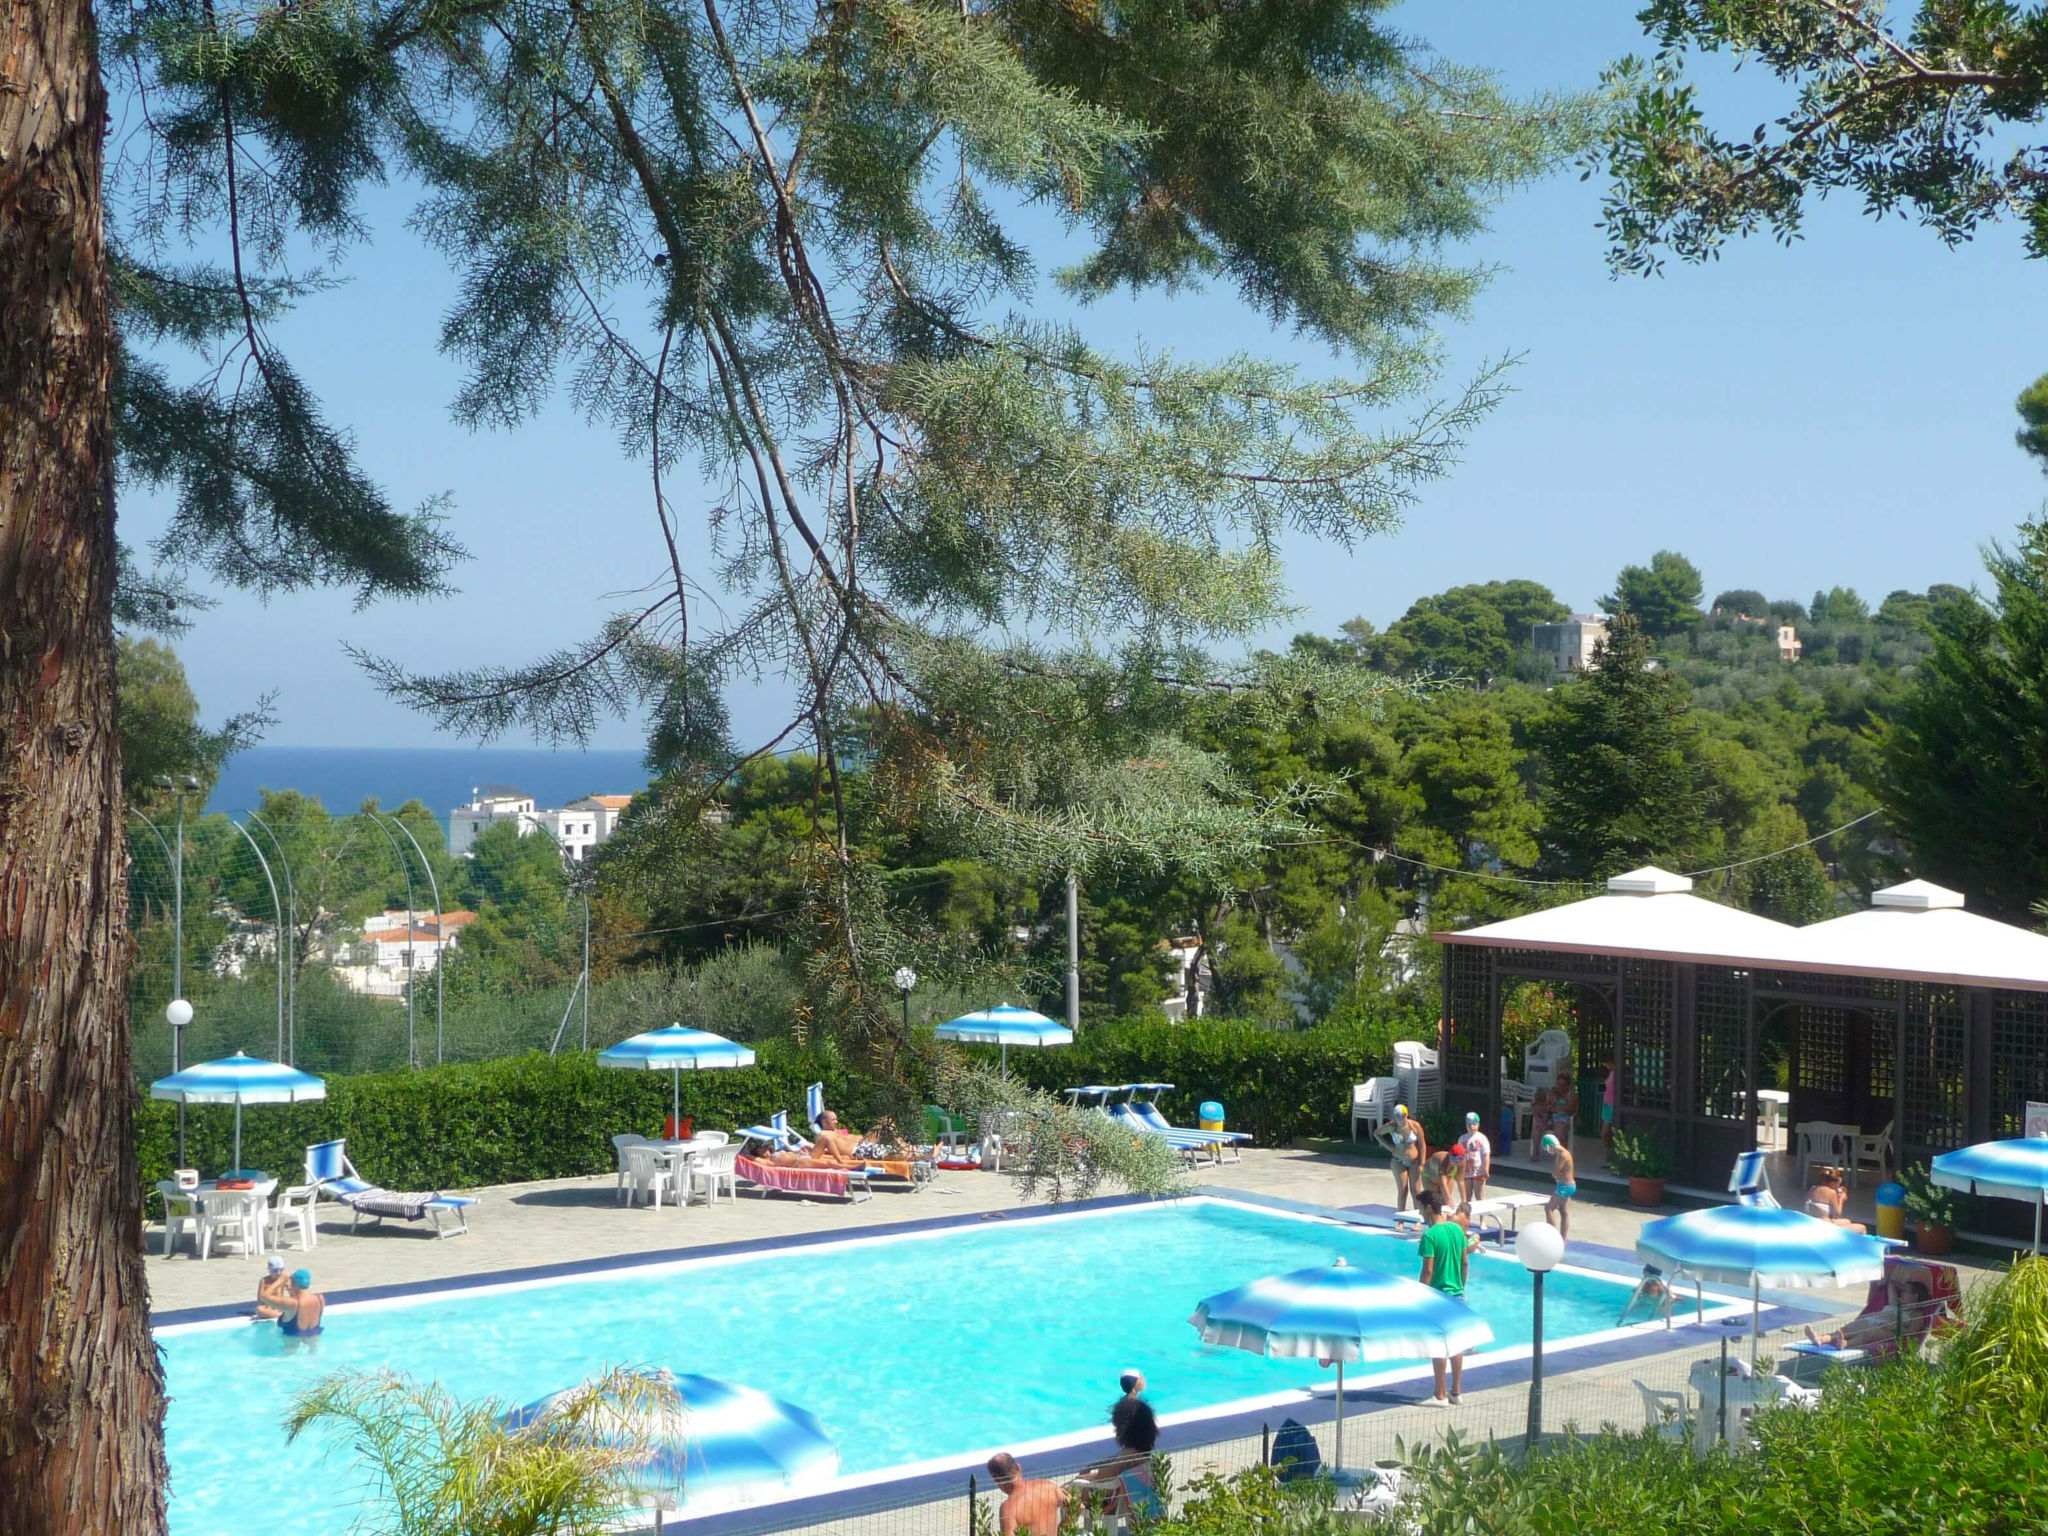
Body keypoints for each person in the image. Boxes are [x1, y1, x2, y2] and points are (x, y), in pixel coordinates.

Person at [1416, 1194, 1468, 1406]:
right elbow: (1465, 1262)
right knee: (1456, 1344)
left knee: (1439, 1344)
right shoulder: (1457, 1229)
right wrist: (1461, 1287)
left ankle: (1440, 1394)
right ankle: (1456, 1391)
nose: (1419, 1213)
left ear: (1429, 1209)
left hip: (1437, 1296)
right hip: (1457, 1294)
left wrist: (1419, 1294)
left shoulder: (1430, 1236)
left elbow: (1428, 1269)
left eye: (1420, 1209)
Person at [1071, 1394, 1161, 1512]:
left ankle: (1064, 1527)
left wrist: (1081, 1477)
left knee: (1068, 1491)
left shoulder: (1129, 1455)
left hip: (1112, 1501)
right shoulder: (1141, 1452)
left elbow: (1105, 1474)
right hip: (1125, 1496)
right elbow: (1114, 1461)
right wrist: (1095, 1465)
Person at [1806, 1279, 1933, 1351]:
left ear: (1915, 1296)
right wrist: (1904, 1286)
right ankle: (1820, 1339)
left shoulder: (1917, 1314)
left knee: (1867, 1334)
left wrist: (1892, 1328)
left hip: (1889, 1330)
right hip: (1872, 1321)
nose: (1901, 1294)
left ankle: (1845, 1344)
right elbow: (1891, 1284)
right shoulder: (1896, 1304)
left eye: (1905, 1292)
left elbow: (1909, 1334)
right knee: (1845, 1330)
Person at [988, 1452, 1066, 1536]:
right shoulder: (1048, 1486)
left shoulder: (1008, 1509)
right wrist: (1060, 1532)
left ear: (997, 1480)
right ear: (1018, 1467)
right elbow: (1078, 1507)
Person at [1373, 1104, 1426, 1211]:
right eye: (1398, 1115)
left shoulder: (1415, 1126)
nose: (1401, 1118)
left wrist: (1422, 1163)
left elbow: (1422, 1144)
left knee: (1416, 1190)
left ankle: (1418, 1219)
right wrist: (1390, 1147)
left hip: (1414, 1162)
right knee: (1402, 1191)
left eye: (1403, 1115)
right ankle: (1400, 1220)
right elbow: (1377, 1133)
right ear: (1395, 1116)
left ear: (1407, 1114)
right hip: (1398, 1161)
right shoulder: (1392, 1126)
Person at [1805, 1166, 1867, 1232]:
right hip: (1825, 1227)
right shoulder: (1831, 1192)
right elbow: (1836, 1215)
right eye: (1838, 1184)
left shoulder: (1813, 1188)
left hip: (1813, 1222)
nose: (1839, 1186)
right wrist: (1841, 1199)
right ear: (1832, 1183)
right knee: (1862, 1228)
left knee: (1847, 1221)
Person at [1541, 1133, 1575, 1240]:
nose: (1548, 1151)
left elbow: (1555, 1173)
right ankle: (1563, 1240)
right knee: (1564, 1212)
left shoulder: (1562, 1155)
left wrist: (1556, 1175)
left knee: (1548, 1208)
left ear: (1551, 1145)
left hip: (1564, 1187)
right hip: (1569, 1186)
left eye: (1547, 1148)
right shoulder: (1565, 1153)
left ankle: (1553, 1237)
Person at [276, 1269, 325, 1338]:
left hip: (291, 1337)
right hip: (314, 1334)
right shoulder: (320, 1298)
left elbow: (264, 1296)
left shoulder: (292, 1303)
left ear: (294, 1284)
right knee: (314, 1348)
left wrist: (281, 1280)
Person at [1458, 1111, 1491, 1202]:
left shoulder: (1482, 1138)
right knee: (1466, 1197)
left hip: (1479, 1172)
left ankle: (1482, 1216)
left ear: (1478, 1125)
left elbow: (1486, 1154)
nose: (1472, 1126)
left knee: (1480, 1196)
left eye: (1474, 1124)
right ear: (1466, 1125)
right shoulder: (1462, 1139)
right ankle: (1467, 1215)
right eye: (1469, 1124)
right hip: (1466, 1171)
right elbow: (1458, 1155)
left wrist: (1486, 1168)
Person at [251, 1254, 292, 1322]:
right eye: (275, 1271)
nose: (278, 1273)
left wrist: (289, 1287)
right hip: (269, 1307)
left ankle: (280, 1314)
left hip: (280, 1306)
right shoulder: (264, 1281)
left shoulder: (283, 1279)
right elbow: (260, 1300)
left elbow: (293, 1293)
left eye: (281, 1270)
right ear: (269, 1270)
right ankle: (281, 1315)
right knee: (259, 1309)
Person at [1600, 1059, 1617, 1163]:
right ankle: (1608, 1156)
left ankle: (1610, 1156)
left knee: (1605, 1133)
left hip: (1612, 1105)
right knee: (1607, 1133)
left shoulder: (1617, 1074)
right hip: (1607, 1103)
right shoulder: (1611, 1073)